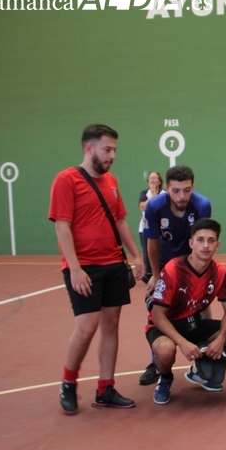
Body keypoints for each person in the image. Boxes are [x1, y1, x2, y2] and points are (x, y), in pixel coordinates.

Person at [48, 123, 144, 414]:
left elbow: (120, 221)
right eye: (107, 149)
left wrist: (137, 256)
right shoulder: (66, 180)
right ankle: (68, 382)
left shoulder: (111, 181)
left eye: (114, 149)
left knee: (111, 325)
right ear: (89, 148)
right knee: (87, 327)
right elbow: (62, 227)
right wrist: (75, 269)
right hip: (84, 268)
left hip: (114, 263)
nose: (112, 155)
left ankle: (105, 388)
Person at [146, 218, 226, 404]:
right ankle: (165, 378)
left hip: (193, 323)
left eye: (211, 240)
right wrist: (182, 343)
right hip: (165, 326)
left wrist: (221, 339)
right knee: (166, 350)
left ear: (218, 244)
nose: (205, 245)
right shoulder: (173, 269)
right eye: (200, 240)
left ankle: (198, 372)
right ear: (191, 243)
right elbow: (158, 316)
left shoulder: (221, 272)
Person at [141, 164, 212, 385]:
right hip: (164, 264)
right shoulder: (154, 206)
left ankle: (205, 357)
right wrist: (155, 274)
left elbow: (203, 239)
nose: (182, 196)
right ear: (167, 188)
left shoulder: (202, 205)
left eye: (187, 190)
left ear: (193, 187)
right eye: (176, 190)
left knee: (202, 303)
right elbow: (152, 242)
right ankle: (157, 363)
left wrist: (198, 271)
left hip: (193, 262)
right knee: (158, 310)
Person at [137, 171, 162, 283]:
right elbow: (143, 207)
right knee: (147, 253)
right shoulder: (144, 194)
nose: (152, 180)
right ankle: (148, 275)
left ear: (160, 181)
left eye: (155, 178)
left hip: (161, 229)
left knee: (161, 251)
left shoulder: (165, 194)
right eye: (150, 178)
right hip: (145, 229)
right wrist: (153, 196)